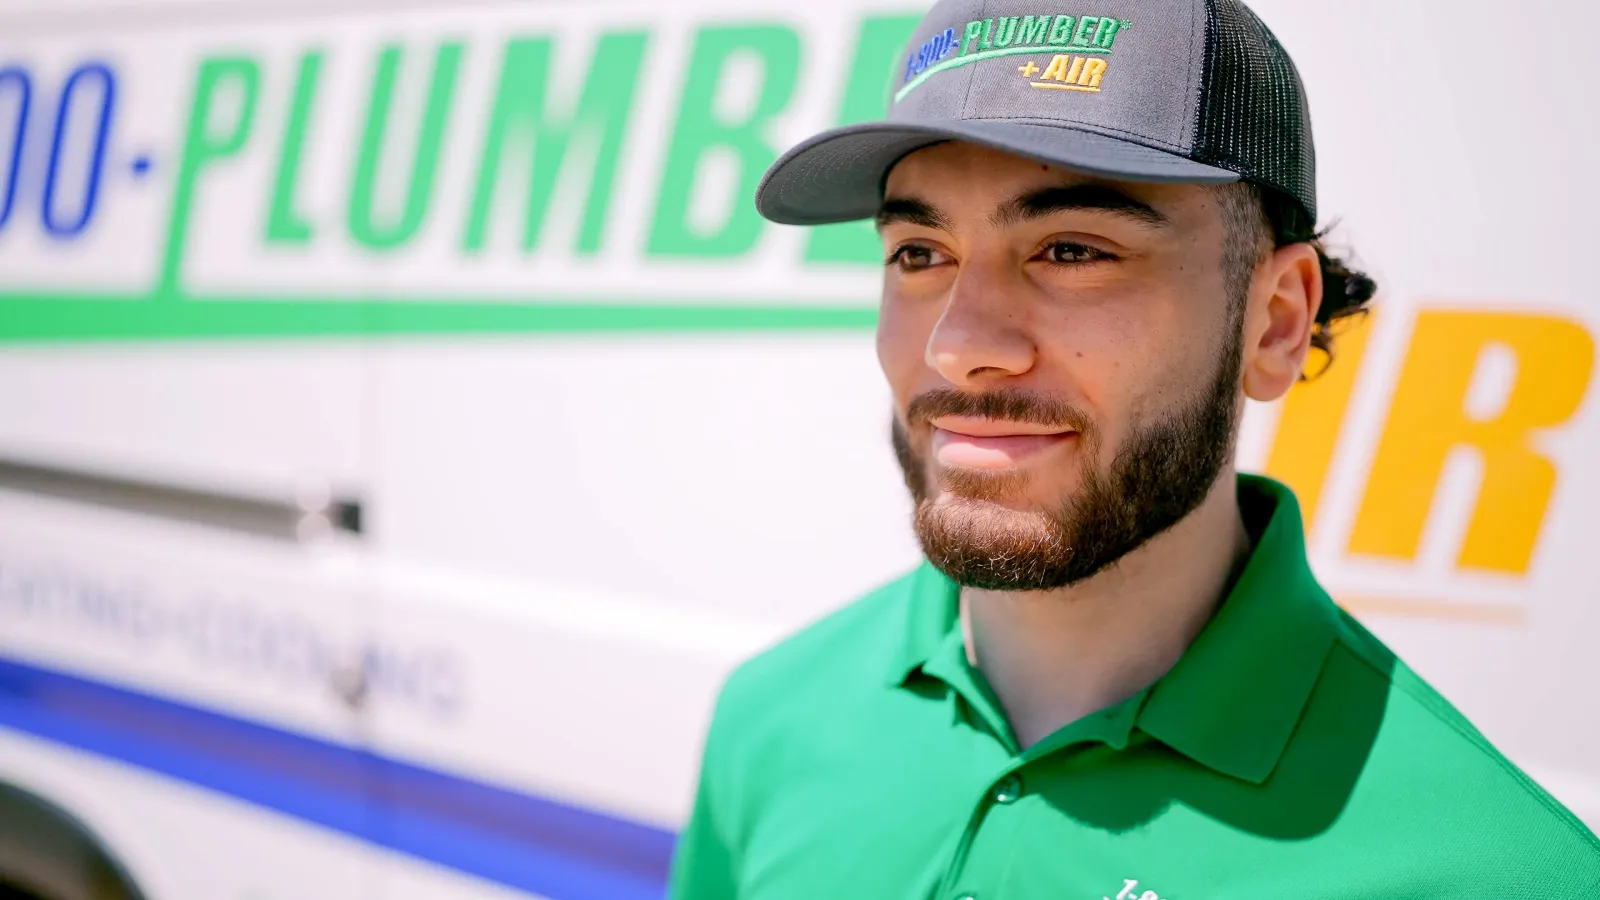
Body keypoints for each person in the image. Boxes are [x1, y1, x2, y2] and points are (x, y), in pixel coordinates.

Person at [669, 0, 1600, 896]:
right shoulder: (772, 718)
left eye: (1071, 249)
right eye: (920, 253)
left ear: (1275, 323)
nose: (958, 343)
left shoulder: (1495, 875)